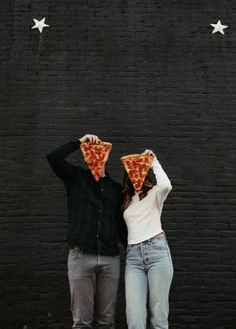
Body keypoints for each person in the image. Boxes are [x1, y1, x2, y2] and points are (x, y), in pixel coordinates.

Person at [46, 134, 125, 329]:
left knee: (107, 322)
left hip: (110, 259)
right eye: (90, 152)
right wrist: (80, 142)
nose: (96, 155)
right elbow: (53, 157)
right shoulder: (75, 178)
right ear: (85, 156)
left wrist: (134, 248)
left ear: (106, 155)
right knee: (81, 323)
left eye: (100, 152)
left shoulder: (116, 189)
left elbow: (120, 225)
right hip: (81, 257)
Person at [121, 149, 174, 329]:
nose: (136, 174)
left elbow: (167, 185)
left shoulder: (155, 194)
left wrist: (153, 161)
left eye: (140, 170)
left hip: (156, 251)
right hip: (133, 257)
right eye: (132, 171)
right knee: (134, 318)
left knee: (158, 317)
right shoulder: (127, 200)